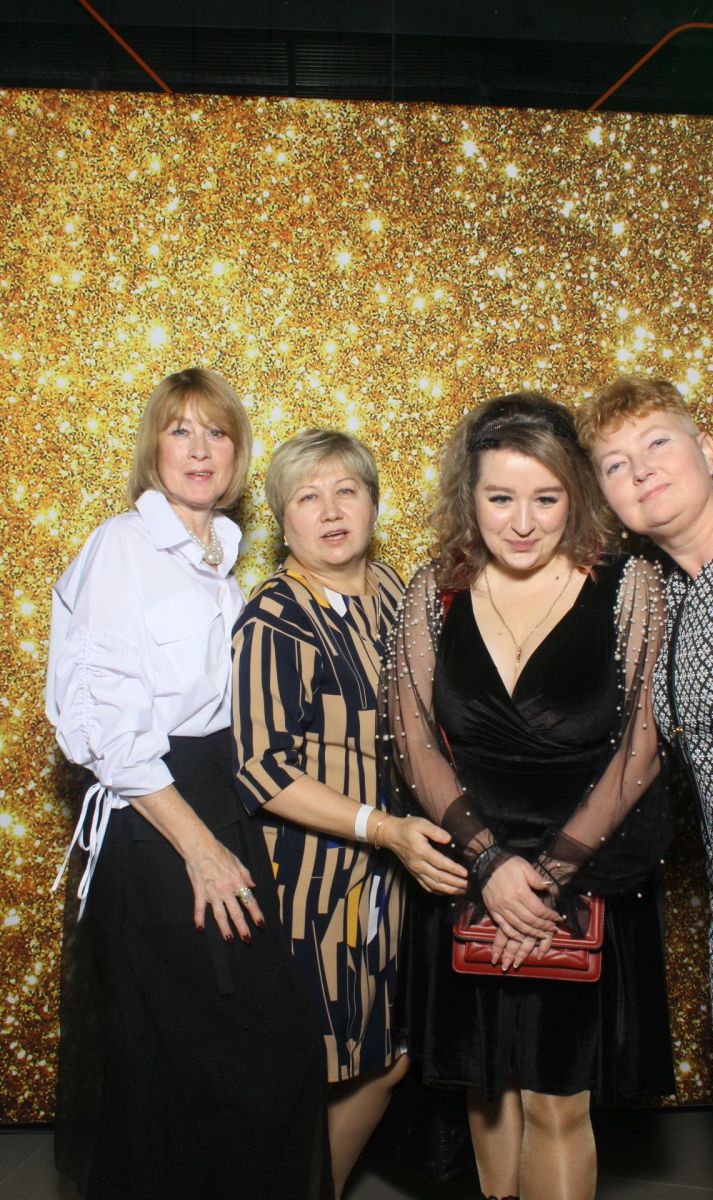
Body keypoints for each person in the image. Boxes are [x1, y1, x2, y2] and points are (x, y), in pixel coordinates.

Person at [380, 393, 674, 1200]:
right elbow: (411, 739)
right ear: (468, 496)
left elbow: (642, 747)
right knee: (486, 1094)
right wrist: (488, 865)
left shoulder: (628, 585)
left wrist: (545, 878)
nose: (521, 522)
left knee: (554, 1101)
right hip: (468, 870)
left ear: (576, 492)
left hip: (582, 874)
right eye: (500, 497)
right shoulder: (433, 591)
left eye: (546, 498)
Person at [46, 368, 330, 1200]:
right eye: (180, 431)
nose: (200, 449)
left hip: (220, 801)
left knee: (225, 1061)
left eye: (217, 432)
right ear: (154, 449)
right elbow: (103, 723)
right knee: (201, 1059)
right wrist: (199, 849)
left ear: (238, 452)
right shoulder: (121, 549)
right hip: (161, 820)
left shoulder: (223, 561)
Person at [577, 375, 713, 1200]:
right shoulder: (658, 601)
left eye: (657, 443)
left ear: (706, 450)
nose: (639, 469)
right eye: (614, 464)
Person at [230, 428, 467, 1199]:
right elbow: (262, 771)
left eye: (347, 491)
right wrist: (381, 828)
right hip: (313, 887)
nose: (331, 511)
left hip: (396, 878)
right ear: (282, 521)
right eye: (308, 496)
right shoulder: (274, 618)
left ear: (373, 503)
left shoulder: (395, 592)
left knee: (390, 1055)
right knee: (315, 1070)